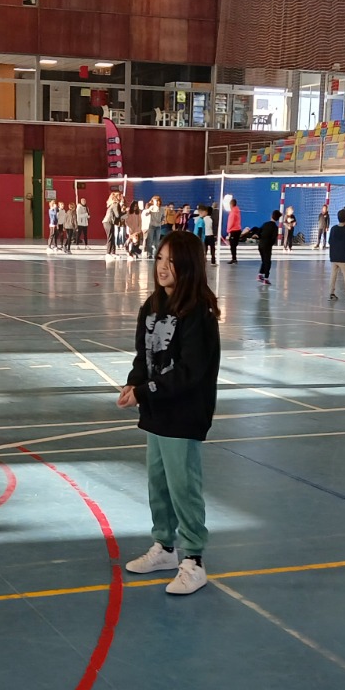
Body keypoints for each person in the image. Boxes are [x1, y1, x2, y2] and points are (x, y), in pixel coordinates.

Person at [117, 230, 221, 598]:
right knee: (158, 484)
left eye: (172, 261)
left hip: (184, 414)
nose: (162, 267)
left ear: (189, 265)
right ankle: (164, 546)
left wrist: (145, 391)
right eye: (160, 258)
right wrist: (133, 384)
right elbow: (143, 356)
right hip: (157, 411)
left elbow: (189, 372)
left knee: (183, 487)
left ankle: (193, 559)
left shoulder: (199, 313)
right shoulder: (152, 305)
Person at [327, 207, 345, 300]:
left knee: (333, 275)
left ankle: (331, 293)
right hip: (343, 257)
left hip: (333, 256)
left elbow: (330, 241)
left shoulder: (333, 228)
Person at [252, 210, 278, 285]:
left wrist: (257, 235)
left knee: (264, 261)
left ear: (271, 216)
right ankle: (266, 278)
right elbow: (273, 239)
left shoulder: (265, 224)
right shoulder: (275, 227)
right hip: (267, 246)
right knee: (268, 262)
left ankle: (260, 275)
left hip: (260, 245)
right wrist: (270, 244)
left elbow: (259, 231)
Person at [223, 195, 243, 263]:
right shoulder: (237, 211)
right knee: (234, 245)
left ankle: (234, 258)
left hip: (233, 230)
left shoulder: (233, 212)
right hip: (238, 229)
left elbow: (231, 221)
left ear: (231, 204)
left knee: (232, 245)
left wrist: (228, 230)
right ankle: (234, 258)